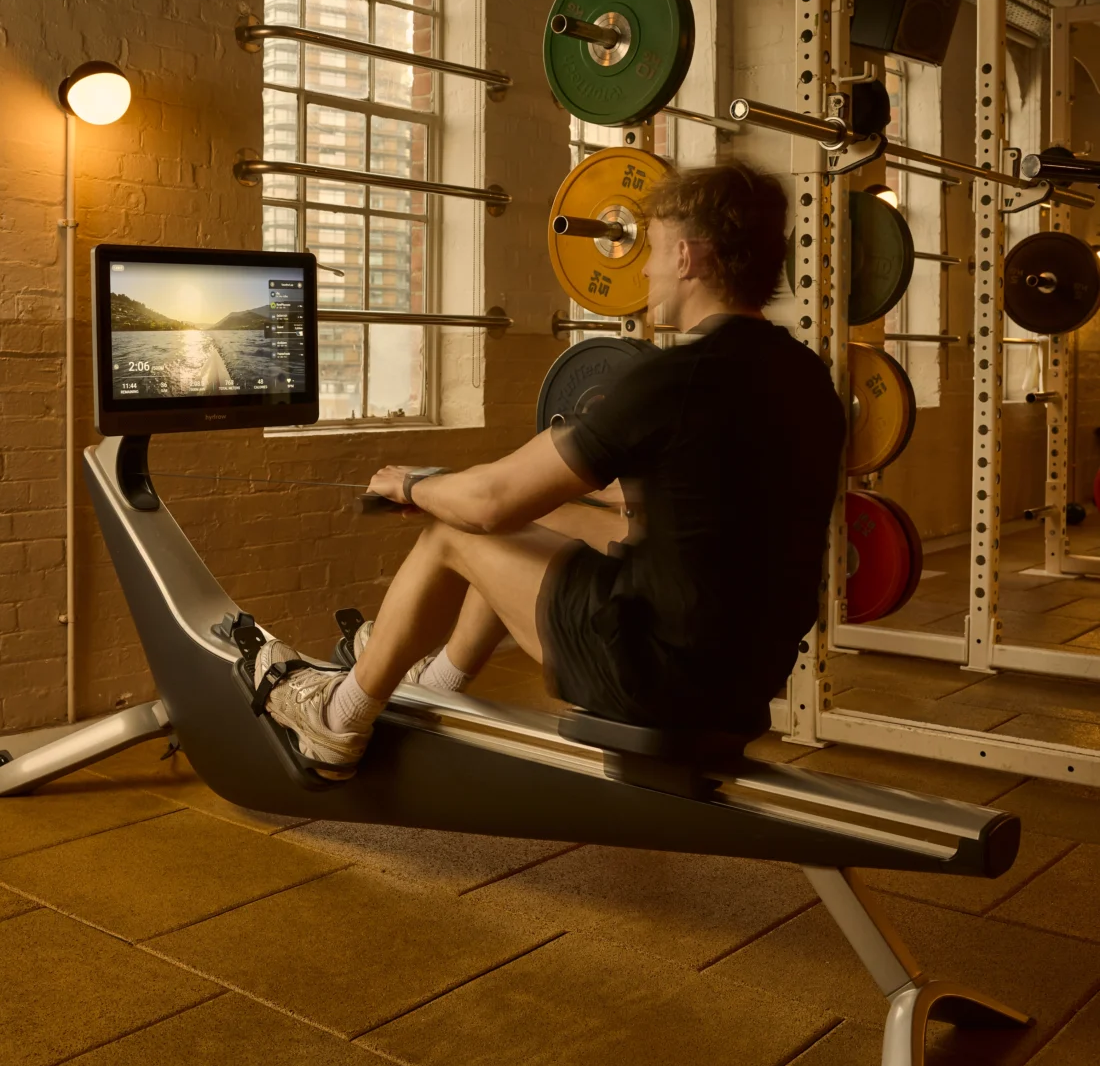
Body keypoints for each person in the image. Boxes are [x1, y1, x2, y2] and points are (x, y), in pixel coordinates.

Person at [254, 162, 847, 778]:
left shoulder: (675, 377)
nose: (642, 268)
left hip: (658, 678)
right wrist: (465, 494)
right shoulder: (806, 378)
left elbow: (488, 503)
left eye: (654, 249)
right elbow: (695, 508)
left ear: (688, 258)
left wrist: (413, 485)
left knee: (457, 531)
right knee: (547, 514)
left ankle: (336, 720)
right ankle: (437, 685)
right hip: (743, 679)